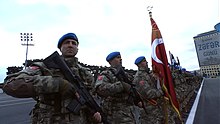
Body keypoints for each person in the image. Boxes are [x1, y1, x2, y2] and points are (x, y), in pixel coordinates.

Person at [2, 33, 101, 124]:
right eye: (67, 43)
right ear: (60, 48)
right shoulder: (45, 67)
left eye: (74, 43)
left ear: (77, 48)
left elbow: (88, 99)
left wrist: (93, 114)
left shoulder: (85, 73)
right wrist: (57, 84)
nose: (70, 45)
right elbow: (11, 84)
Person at [94, 51, 137, 124]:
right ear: (110, 61)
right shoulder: (106, 74)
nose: (120, 59)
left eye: (120, 57)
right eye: (117, 58)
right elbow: (100, 89)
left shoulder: (127, 75)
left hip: (129, 113)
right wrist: (121, 85)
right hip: (115, 115)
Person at [133, 56, 164, 124]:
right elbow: (149, 94)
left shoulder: (148, 74)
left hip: (155, 108)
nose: (147, 62)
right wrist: (162, 92)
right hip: (149, 110)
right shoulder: (139, 77)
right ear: (139, 64)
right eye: (144, 61)